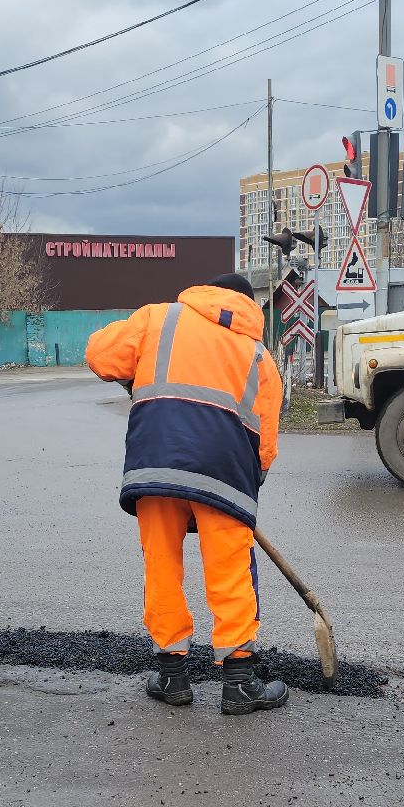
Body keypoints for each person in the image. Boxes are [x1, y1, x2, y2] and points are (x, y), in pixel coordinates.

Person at [86, 273, 288, 715]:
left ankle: (172, 676)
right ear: (247, 306)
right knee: (230, 571)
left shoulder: (158, 319)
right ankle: (239, 684)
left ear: (205, 293)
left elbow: (99, 355)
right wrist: (248, 486)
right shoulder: (259, 355)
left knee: (161, 565)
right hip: (225, 472)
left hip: (155, 463)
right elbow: (266, 443)